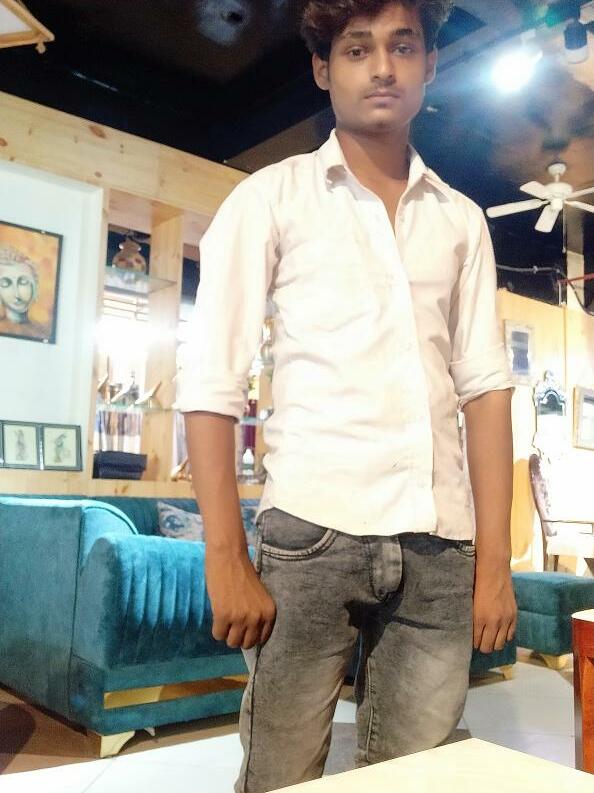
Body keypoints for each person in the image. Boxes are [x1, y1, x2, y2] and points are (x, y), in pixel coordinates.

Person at [175, 2, 517, 791]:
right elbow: (212, 376)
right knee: (281, 775)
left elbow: (486, 390)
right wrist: (224, 555)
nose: (383, 67)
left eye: (403, 46)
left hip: (439, 545)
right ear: (323, 69)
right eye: (358, 50)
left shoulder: (462, 220)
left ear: (431, 64)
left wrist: (495, 561)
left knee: (418, 779)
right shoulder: (273, 197)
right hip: (310, 536)